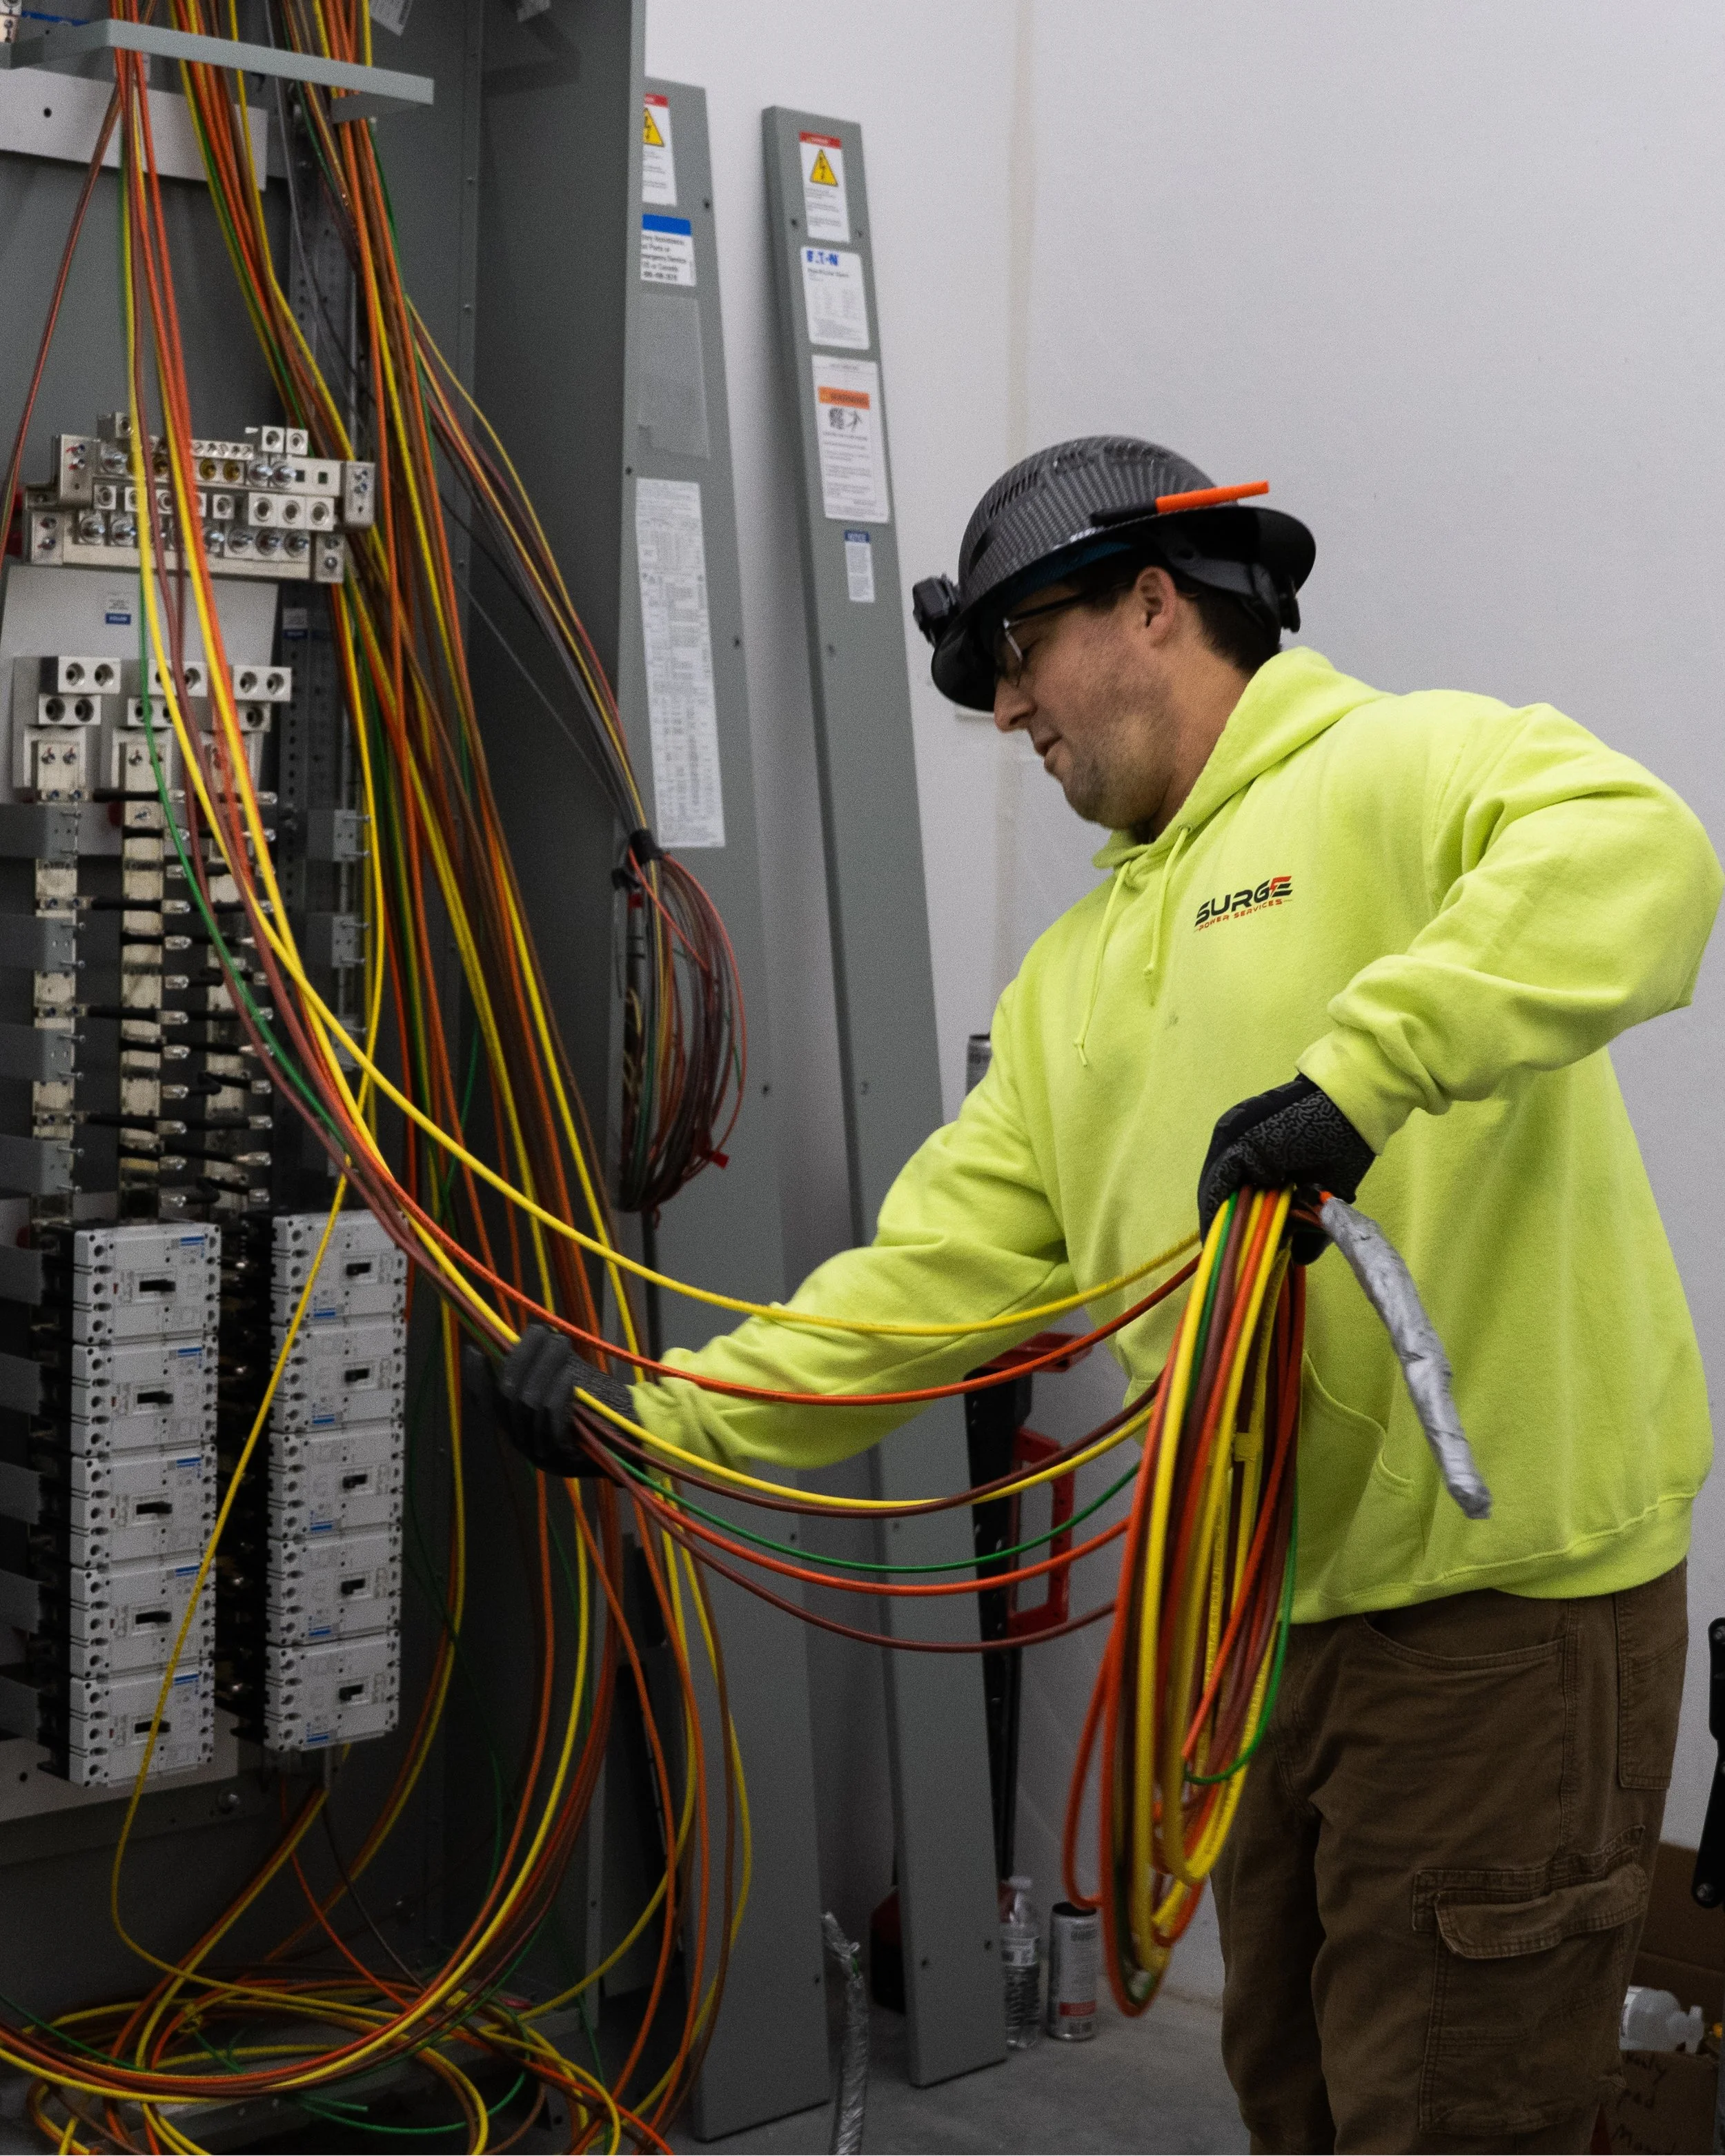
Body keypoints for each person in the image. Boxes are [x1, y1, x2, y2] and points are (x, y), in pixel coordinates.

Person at [499, 437, 1721, 2153]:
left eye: (1015, 651)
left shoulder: (1391, 764)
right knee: (1299, 2095)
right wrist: (664, 1417)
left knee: (1455, 2116)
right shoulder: (1073, 977)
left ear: (1153, 602)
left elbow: (1641, 853)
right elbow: (922, 1281)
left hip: (1493, 1625)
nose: (1005, 710)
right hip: (1262, 1624)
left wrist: (1362, 1075)